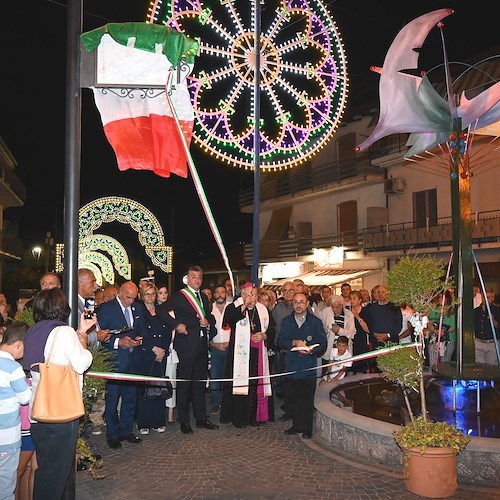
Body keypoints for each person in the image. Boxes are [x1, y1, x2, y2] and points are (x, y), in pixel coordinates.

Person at [22, 288, 94, 500]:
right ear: (62, 308)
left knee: (48, 469)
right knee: (54, 475)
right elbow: (82, 363)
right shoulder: (64, 332)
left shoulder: (33, 331)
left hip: (39, 409)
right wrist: (82, 336)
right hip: (60, 412)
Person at [156, 265, 217, 434]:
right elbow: (160, 310)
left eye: (199, 277)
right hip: (186, 346)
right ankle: (184, 420)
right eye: (193, 277)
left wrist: (208, 321)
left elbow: (208, 315)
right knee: (184, 385)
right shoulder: (179, 296)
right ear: (187, 278)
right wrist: (176, 324)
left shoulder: (204, 297)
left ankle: (201, 418)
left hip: (202, 346)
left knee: (199, 385)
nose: (196, 280)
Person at [97, 281, 145, 449]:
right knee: (112, 400)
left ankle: (126, 430)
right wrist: (118, 342)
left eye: (134, 298)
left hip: (133, 360)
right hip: (115, 361)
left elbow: (141, 329)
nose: (131, 301)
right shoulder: (106, 309)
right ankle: (113, 434)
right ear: (120, 293)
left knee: (130, 399)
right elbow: (99, 337)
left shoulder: (137, 308)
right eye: (128, 297)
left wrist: (139, 339)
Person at [220, 282, 273, 428]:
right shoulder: (234, 306)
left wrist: (264, 335)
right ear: (242, 295)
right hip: (239, 356)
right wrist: (243, 306)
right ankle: (239, 417)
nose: (252, 298)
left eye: (254, 295)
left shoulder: (262, 309)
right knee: (240, 385)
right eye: (249, 295)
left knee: (255, 385)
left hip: (257, 355)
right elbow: (228, 320)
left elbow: (273, 329)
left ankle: (255, 416)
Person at [277, 293, 326, 439]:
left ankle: (307, 427)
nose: (298, 305)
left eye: (301, 302)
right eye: (296, 302)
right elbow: (280, 340)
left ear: (307, 304)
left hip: (307, 367)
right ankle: (296, 425)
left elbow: (322, 343)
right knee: (293, 398)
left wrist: (311, 351)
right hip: (291, 366)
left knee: (306, 398)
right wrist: (293, 342)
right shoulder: (286, 321)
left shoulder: (315, 322)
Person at [77, 268, 111, 437]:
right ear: (81, 283)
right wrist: (95, 336)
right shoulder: (72, 303)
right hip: (80, 359)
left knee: (88, 403)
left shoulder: (86, 303)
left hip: (91, 356)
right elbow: (75, 333)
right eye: (92, 282)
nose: (96, 286)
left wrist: (98, 335)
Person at [0, 323, 31, 500]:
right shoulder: (13, 368)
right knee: (5, 488)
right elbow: (25, 398)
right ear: (19, 345)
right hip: (7, 437)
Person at [135, 283, 171, 435]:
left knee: (159, 386)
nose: (150, 297)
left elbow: (168, 330)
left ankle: (158, 421)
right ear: (142, 296)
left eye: (152, 294)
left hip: (161, 354)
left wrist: (162, 350)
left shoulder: (161, 311)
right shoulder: (138, 311)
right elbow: (139, 332)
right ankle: (144, 422)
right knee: (145, 388)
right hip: (145, 353)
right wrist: (153, 349)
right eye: (147, 294)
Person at [271, 281, 296, 414]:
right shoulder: (278, 309)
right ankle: (288, 407)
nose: (288, 293)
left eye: (290, 290)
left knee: (297, 381)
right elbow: (275, 329)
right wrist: (279, 344)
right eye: (285, 291)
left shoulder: (301, 305)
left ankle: (297, 406)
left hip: (298, 351)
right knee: (286, 380)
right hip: (284, 350)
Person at [319, 295, 355, 377]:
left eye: (337, 307)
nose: (334, 309)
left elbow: (352, 333)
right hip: (329, 349)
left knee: (342, 376)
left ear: (342, 305)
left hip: (343, 350)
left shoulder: (349, 314)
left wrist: (339, 331)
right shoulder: (326, 312)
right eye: (332, 307)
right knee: (326, 375)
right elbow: (321, 328)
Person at [208, 285, 230, 415]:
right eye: (217, 292)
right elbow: (207, 331)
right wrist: (214, 345)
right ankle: (216, 403)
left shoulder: (232, 308)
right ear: (214, 295)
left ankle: (227, 402)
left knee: (227, 377)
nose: (220, 294)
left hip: (229, 347)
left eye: (223, 292)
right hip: (215, 348)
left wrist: (230, 343)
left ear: (226, 294)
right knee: (215, 378)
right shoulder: (209, 309)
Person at [366, 284, 402, 350]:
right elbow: (369, 323)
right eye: (379, 292)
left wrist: (388, 335)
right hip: (376, 341)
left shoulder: (395, 307)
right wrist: (374, 334)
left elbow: (398, 325)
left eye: (383, 292)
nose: (380, 294)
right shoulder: (372, 307)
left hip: (391, 342)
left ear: (388, 293)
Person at [427, 291, 455, 368]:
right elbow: (428, 322)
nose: (440, 299)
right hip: (434, 339)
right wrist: (435, 330)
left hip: (448, 340)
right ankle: (433, 377)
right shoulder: (435, 309)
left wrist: (443, 331)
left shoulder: (452, 310)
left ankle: (443, 378)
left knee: (445, 363)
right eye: (439, 297)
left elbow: (454, 327)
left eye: (442, 297)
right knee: (432, 363)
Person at [474, 287, 500, 365]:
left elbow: (498, 326)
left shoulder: (497, 310)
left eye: (488, 297)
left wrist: (493, 320)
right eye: (484, 297)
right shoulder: (476, 311)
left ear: (492, 298)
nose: (486, 299)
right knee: (479, 367)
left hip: (491, 343)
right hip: (478, 342)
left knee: (491, 368)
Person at [349, 290, 371, 374]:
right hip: (351, 342)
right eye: (351, 298)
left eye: (354, 298)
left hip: (362, 341)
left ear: (360, 300)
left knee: (362, 368)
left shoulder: (365, 311)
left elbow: (367, 329)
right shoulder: (347, 312)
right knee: (350, 369)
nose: (352, 300)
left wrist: (357, 316)